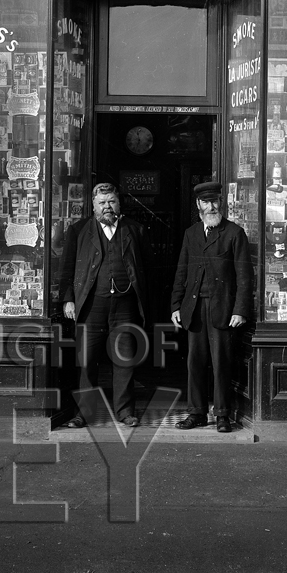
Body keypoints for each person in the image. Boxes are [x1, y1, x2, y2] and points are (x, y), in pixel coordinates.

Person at [57, 182, 150, 427]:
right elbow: (66, 268)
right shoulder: (78, 231)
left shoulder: (136, 230)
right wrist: (68, 298)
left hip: (125, 305)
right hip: (91, 305)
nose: (107, 207)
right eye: (102, 203)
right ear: (93, 206)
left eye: (111, 202)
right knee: (86, 361)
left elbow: (147, 270)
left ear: (119, 203)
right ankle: (84, 413)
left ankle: (125, 411)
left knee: (125, 360)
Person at [171, 181, 252, 433]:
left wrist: (240, 309)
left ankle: (222, 415)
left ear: (222, 203)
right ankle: (196, 413)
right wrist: (176, 305)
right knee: (194, 362)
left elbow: (244, 276)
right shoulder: (191, 233)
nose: (211, 206)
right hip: (194, 308)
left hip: (223, 309)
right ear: (198, 205)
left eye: (215, 201)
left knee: (221, 363)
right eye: (205, 202)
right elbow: (181, 271)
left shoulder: (234, 233)